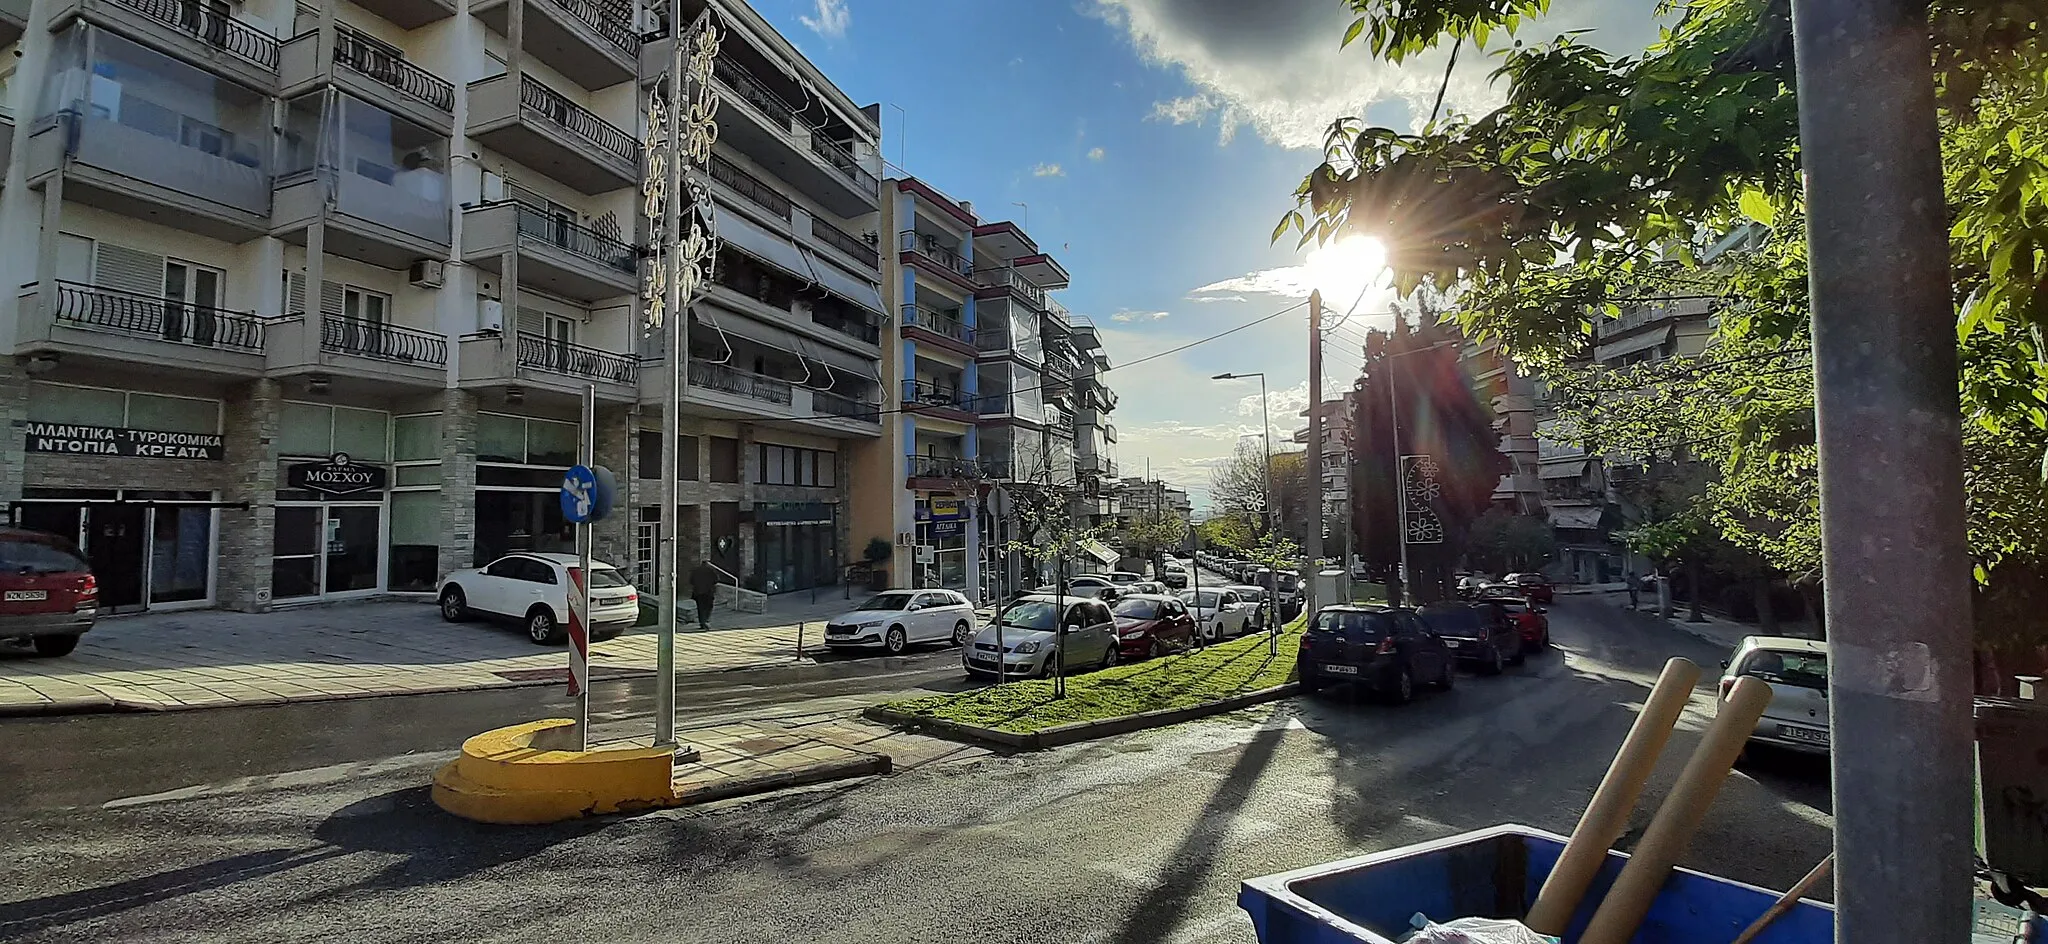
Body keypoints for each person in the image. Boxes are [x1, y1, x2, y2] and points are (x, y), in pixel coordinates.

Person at [689, 560, 719, 630]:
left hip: (698, 592)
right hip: (708, 592)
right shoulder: (711, 570)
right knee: (708, 607)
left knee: (700, 608)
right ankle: (706, 620)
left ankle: (702, 622)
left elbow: (691, 581)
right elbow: (716, 580)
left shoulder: (696, 570)